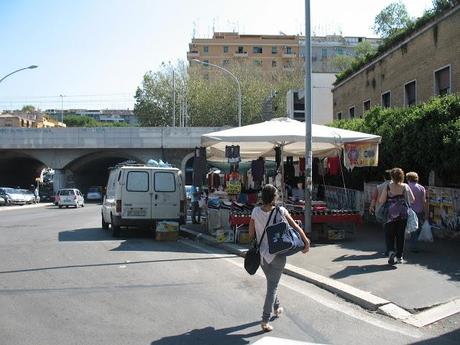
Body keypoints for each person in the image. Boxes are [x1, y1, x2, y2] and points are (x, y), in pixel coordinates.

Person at [248, 184, 310, 332]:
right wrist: (306, 241)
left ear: (262, 197)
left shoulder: (255, 211)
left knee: (271, 284)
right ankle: (265, 320)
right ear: (275, 197)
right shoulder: (280, 210)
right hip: (278, 254)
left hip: (262, 256)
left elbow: (251, 235)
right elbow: (295, 226)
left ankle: (277, 308)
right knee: (272, 287)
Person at [379, 168, 415, 265]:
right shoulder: (405, 186)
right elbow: (412, 199)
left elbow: (381, 201)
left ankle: (391, 251)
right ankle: (399, 257)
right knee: (400, 235)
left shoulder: (387, 186)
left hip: (390, 213)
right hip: (403, 213)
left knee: (389, 234)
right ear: (402, 176)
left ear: (392, 176)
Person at [369, 170, 391, 255]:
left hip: (382, 211)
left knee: (387, 230)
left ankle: (389, 249)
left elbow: (374, 199)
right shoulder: (398, 185)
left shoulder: (379, 187)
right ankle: (396, 249)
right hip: (397, 211)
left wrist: (371, 207)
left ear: (384, 177)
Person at [406, 171, 427, 252]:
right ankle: (413, 244)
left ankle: (413, 245)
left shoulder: (406, 187)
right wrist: (426, 212)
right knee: (417, 228)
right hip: (419, 210)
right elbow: (424, 201)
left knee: (411, 228)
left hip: (409, 210)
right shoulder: (421, 188)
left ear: (408, 178)